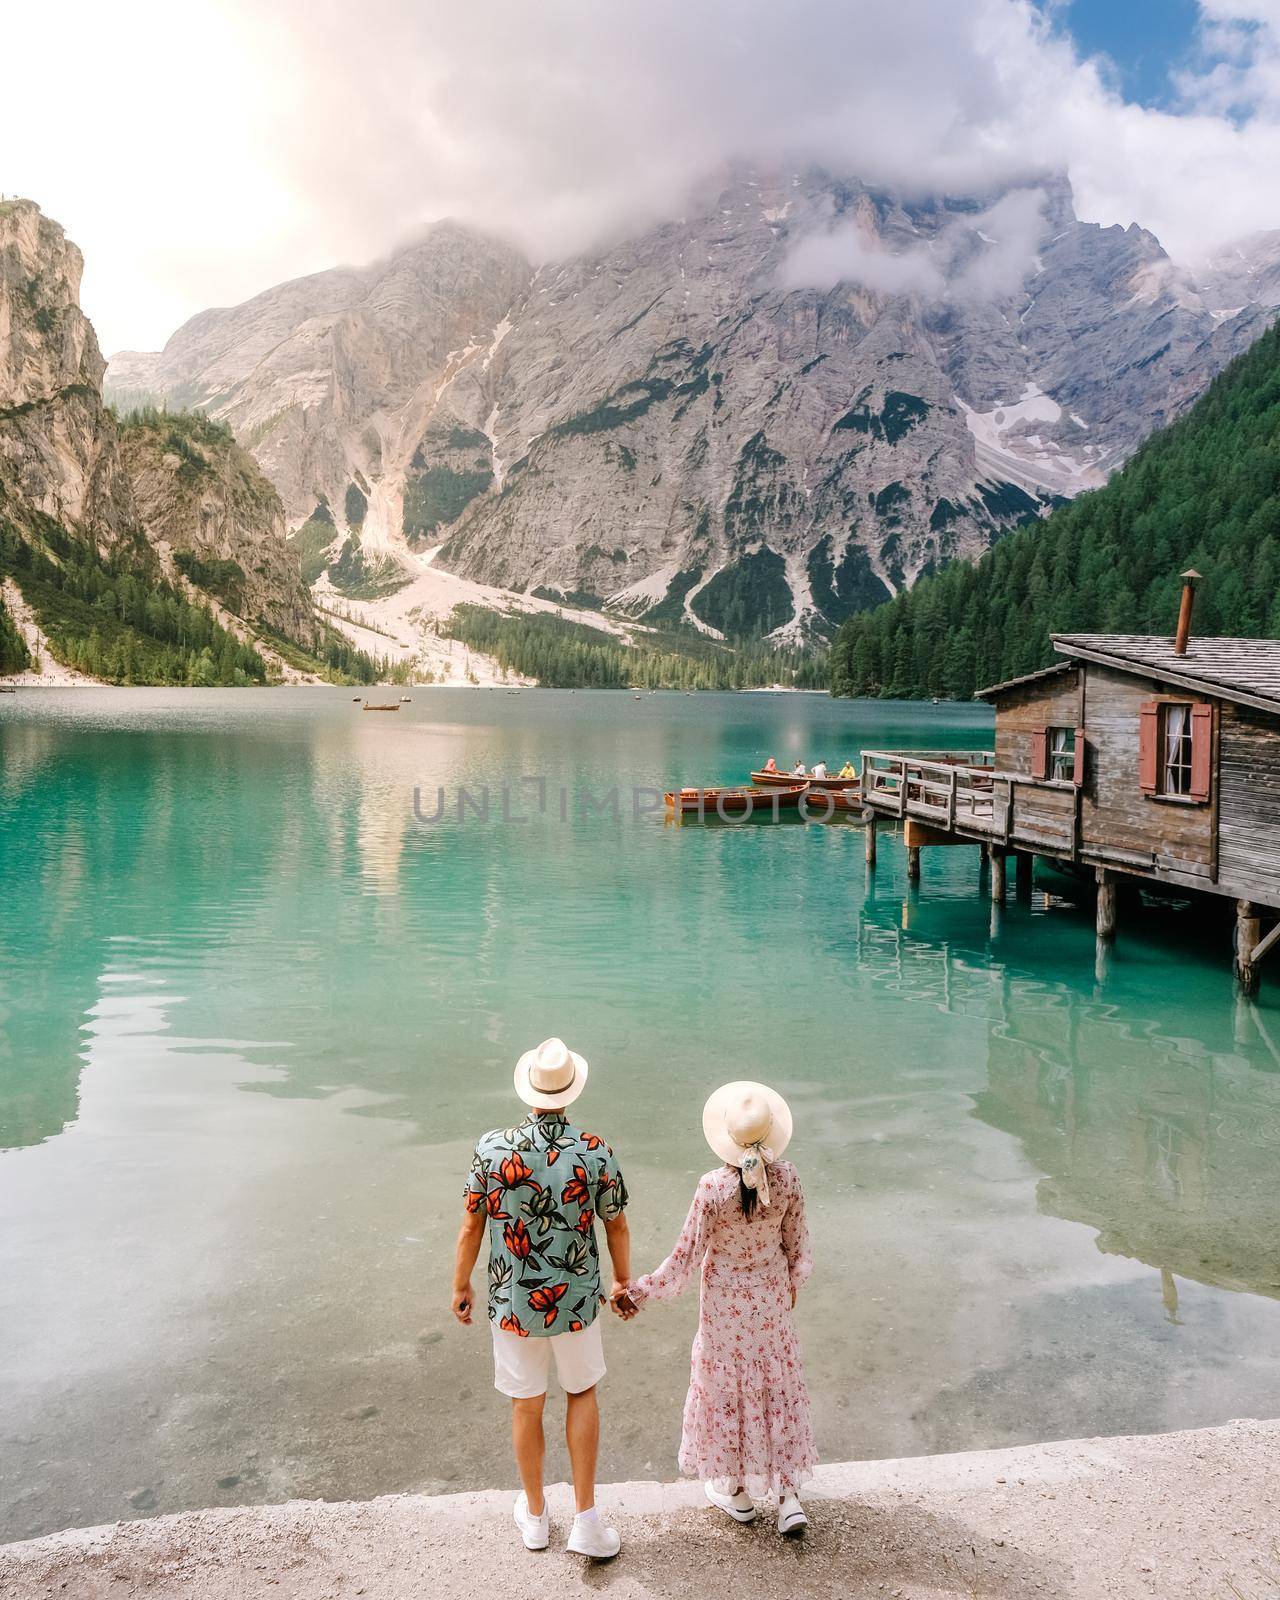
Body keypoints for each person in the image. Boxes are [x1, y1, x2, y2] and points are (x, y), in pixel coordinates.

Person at [453, 1037, 631, 1561]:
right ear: (571, 1090)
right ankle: (587, 1523)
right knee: (581, 1394)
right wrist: (622, 1281)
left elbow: (470, 1225)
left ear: (528, 1090)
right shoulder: (595, 1149)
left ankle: (535, 1518)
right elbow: (615, 1222)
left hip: (512, 1302)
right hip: (575, 1300)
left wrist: (461, 1284)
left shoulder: (491, 1148)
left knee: (526, 1404)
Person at [618, 1081, 815, 1536]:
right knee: (775, 1386)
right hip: (770, 1301)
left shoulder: (713, 1188)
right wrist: (790, 1287)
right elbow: (799, 1249)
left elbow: (683, 1258)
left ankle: (738, 1494)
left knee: (729, 1389)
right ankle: (788, 1499)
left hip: (725, 1308)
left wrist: (638, 1291)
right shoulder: (789, 1178)